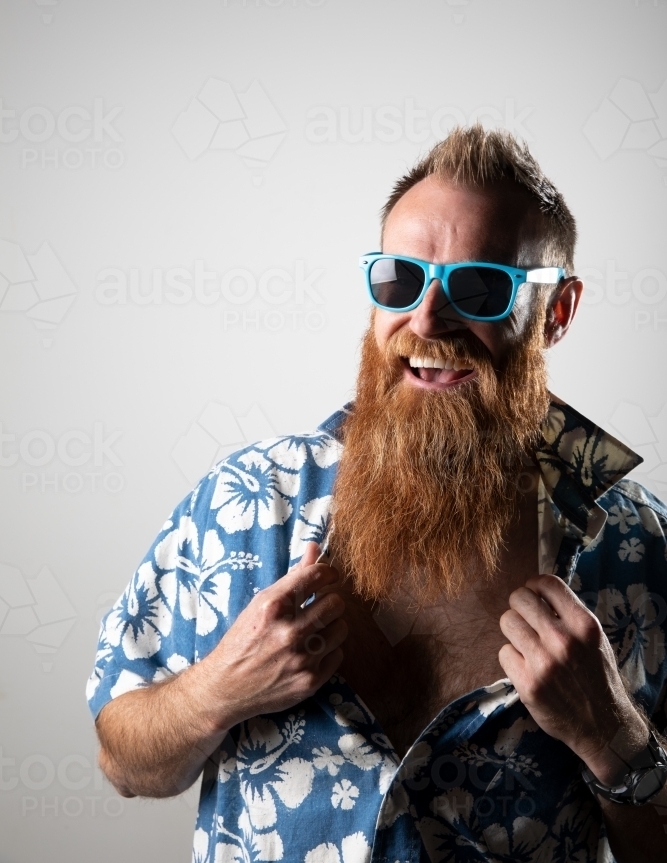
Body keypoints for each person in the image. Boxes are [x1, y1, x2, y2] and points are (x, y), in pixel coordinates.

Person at [88, 126, 667, 863]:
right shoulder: (246, 504)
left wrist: (612, 738)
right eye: (400, 280)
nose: (426, 321)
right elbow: (126, 763)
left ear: (556, 312)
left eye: (480, 287)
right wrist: (216, 692)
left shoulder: (638, 550)